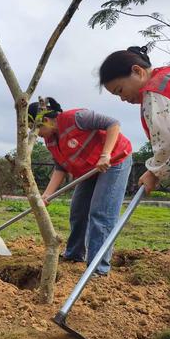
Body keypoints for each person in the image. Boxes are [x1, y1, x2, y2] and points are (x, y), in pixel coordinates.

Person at [99, 46, 170, 339]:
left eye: (120, 90)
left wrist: (154, 171)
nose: (122, 99)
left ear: (138, 72)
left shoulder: (155, 91)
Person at [28, 97, 132, 276]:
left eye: (35, 128)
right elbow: (60, 167)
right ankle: (75, 254)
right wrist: (46, 196)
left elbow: (113, 124)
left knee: (101, 213)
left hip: (114, 160)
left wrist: (105, 155)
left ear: (45, 120)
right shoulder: (51, 139)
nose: (35, 134)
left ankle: (98, 268)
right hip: (89, 169)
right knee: (78, 210)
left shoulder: (77, 118)